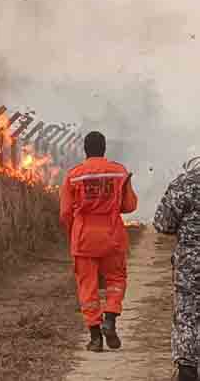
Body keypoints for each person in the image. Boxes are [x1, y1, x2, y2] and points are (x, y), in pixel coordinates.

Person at [60, 131, 138, 352]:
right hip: (112, 235)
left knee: (88, 287)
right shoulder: (119, 172)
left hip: (83, 237)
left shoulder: (73, 175)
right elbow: (129, 206)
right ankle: (110, 319)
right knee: (116, 279)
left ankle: (95, 338)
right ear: (105, 149)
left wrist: (73, 233)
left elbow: (65, 212)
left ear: (85, 150)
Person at [153, 156, 200, 381]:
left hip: (191, 266)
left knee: (188, 313)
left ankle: (188, 369)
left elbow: (163, 223)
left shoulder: (184, 184)